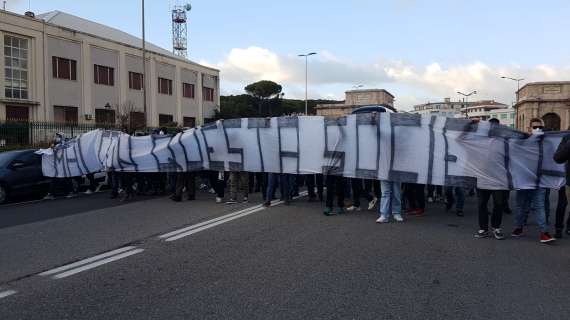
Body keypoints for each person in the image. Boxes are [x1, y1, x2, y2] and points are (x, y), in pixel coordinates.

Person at [512, 119, 555, 243]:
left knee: (539, 206)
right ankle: (518, 228)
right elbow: (513, 153)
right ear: (529, 128)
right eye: (535, 127)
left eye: (540, 127)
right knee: (521, 206)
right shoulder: (522, 141)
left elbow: (552, 159)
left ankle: (544, 233)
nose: (538, 129)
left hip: (539, 180)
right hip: (523, 179)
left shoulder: (547, 143)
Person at [553, 126, 570, 238]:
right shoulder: (567, 138)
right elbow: (558, 158)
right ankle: (559, 228)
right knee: (562, 204)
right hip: (568, 180)